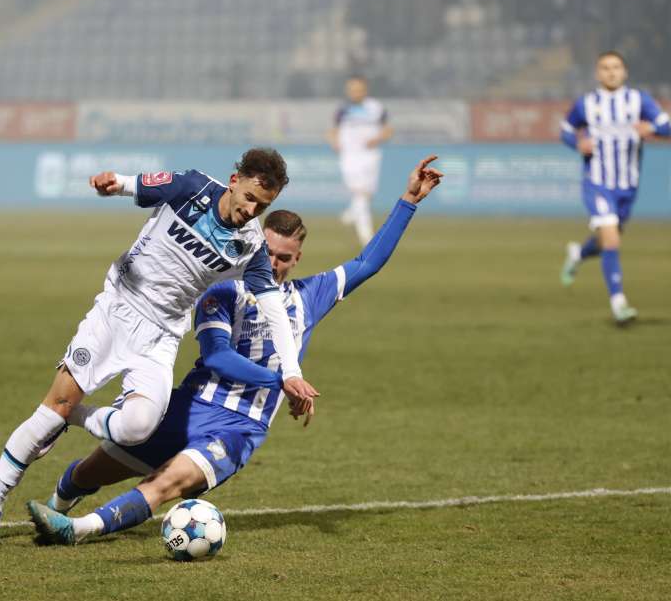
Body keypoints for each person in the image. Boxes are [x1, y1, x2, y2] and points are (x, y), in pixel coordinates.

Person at [26, 155, 444, 545]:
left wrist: (409, 200)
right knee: (90, 472)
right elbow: (217, 357)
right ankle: (56, 507)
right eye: (269, 253)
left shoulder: (309, 297)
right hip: (189, 407)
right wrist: (282, 380)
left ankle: (75, 530)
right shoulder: (225, 290)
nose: (274, 263)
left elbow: (367, 263)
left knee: (166, 483)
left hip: (240, 426)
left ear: (297, 258)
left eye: (285, 257)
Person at [0, 149, 320, 543]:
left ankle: (71, 416)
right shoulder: (193, 187)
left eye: (263, 206)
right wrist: (112, 183)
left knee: (137, 427)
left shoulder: (251, 245)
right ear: (234, 181)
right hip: (117, 311)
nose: (252, 210)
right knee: (54, 404)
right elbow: (135, 185)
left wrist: (291, 373)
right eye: (250, 198)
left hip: (162, 335)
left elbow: (274, 310)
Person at [559, 51, 670, 323]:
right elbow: (565, 129)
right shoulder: (587, 104)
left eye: (616, 67)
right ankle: (619, 304)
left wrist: (653, 131)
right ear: (598, 73)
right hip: (597, 182)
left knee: (605, 241)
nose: (611, 72)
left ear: (625, 72)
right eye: (605, 68)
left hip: (627, 186)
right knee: (611, 239)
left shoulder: (639, 101)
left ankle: (578, 254)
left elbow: (667, 127)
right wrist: (577, 144)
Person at [326, 75, 393, 246]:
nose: (355, 92)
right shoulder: (343, 109)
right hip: (350, 156)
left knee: (366, 193)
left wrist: (377, 139)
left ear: (365, 90)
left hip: (371, 155)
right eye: (352, 89)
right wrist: (335, 142)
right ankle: (366, 235)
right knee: (359, 192)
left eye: (358, 89)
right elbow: (332, 130)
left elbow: (388, 130)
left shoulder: (376, 108)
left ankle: (351, 213)